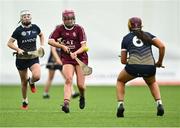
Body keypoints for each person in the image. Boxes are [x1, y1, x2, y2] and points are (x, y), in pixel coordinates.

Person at [116, 17, 165, 117]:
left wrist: (130, 58)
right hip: (149, 67)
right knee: (152, 82)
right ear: (141, 25)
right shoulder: (148, 35)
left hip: (133, 67)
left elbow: (123, 61)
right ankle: (159, 103)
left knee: (120, 81)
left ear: (129, 26)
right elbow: (162, 46)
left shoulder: (126, 38)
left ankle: (120, 104)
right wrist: (159, 62)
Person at [48, 9, 88, 113]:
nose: (69, 21)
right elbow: (50, 41)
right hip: (67, 58)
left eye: (71, 19)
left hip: (81, 58)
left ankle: (82, 96)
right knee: (68, 79)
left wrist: (76, 52)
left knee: (81, 86)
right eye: (67, 19)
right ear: (63, 20)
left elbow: (84, 46)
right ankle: (66, 103)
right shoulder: (59, 29)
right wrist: (61, 46)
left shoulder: (79, 29)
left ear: (74, 19)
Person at [7, 10, 45, 110]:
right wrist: (18, 49)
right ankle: (25, 100)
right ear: (21, 18)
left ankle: (31, 82)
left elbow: (41, 35)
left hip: (33, 57)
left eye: (28, 16)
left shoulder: (35, 27)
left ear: (30, 17)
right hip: (21, 59)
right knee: (23, 82)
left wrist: (42, 46)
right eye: (24, 16)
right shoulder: (18, 30)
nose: (27, 17)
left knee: (37, 76)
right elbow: (9, 43)